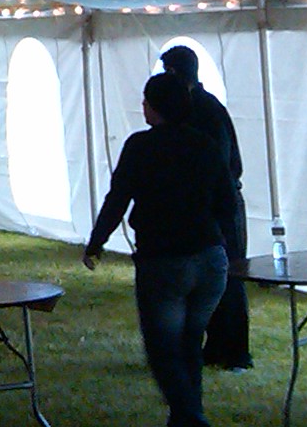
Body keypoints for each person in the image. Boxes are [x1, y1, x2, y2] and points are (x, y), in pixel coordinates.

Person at [83, 73, 235, 427]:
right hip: (210, 258)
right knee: (190, 345)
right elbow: (228, 204)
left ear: (154, 107)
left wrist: (97, 242)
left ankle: (192, 418)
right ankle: (184, 419)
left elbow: (118, 198)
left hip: (164, 260)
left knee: (163, 349)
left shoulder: (140, 147)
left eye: (145, 101)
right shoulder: (207, 145)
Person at [160, 45, 251, 370]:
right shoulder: (206, 107)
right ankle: (217, 349)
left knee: (228, 277)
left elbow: (222, 165)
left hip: (219, 205)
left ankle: (235, 351)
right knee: (217, 278)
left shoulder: (202, 110)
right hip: (217, 203)